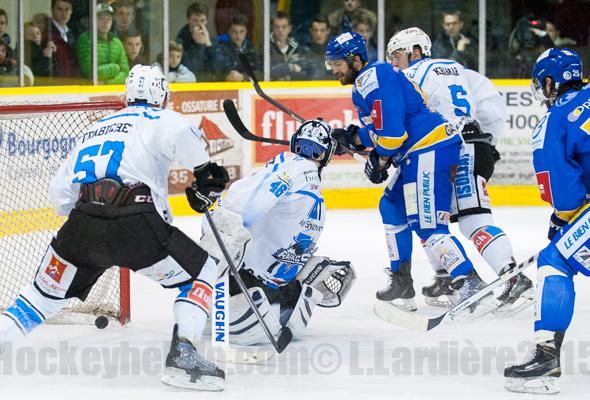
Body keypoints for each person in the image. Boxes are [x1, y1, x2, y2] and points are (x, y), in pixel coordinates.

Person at [0, 64, 230, 391]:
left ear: (125, 96)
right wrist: (205, 173)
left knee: (38, 299)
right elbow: (188, 144)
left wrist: (93, 220)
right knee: (205, 271)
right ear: (163, 96)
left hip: (80, 227)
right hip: (137, 227)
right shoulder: (162, 118)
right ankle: (184, 355)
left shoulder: (94, 128)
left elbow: (59, 197)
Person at [325, 32, 490, 313]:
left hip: (430, 148)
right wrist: (354, 138)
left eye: (337, 64)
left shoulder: (374, 77)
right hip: (418, 151)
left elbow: (391, 136)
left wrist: (377, 156)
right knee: (391, 206)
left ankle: (471, 284)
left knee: (428, 226)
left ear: (355, 59)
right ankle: (401, 279)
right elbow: (385, 130)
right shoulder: (366, 82)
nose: (333, 71)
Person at [386, 27, 533, 312]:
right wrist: (488, 141)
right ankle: (445, 275)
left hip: (455, 149)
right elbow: (490, 105)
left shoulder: (409, 76)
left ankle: (513, 278)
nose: (394, 63)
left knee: (469, 221)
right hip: (472, 143)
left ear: (416, 51)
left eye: (398, 55)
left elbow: (400, 121)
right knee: (426, 215)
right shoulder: (457, 68)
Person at [200, 119, 356, 344]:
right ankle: (287, 302)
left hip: (246, 283)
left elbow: (242, 206)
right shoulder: (312, 185)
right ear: (327, 154)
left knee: (220, 234)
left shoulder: (289, 165)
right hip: (279, 290)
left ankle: (221, 307)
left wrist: (217, 216)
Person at [504, 48, 588, 395]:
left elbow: (562, 191)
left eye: (542, 84)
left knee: (554, 260)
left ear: (551, 83)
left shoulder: (555, 119)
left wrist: (563, 219)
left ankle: (546, 356)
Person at [76, 3, 129, 84]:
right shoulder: (85, 39)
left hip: (114, 91)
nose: (105, 22)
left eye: (109, 19)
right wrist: (114, 68)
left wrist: (107, 82)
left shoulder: (117, 43)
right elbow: (88, 71)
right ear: (94, 19)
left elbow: (126, 73)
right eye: (101, 18)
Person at [176, 2, 216, 81]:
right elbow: (190, 71)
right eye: (195, 20)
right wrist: (199, 45)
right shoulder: (180, 42)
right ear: (188, 20)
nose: (199, 24)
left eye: (202, 20)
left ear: (207, 21)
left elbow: (220, 69)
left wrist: (209, 45)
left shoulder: (212, 40)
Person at [213, 14, 257, 82]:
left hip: (248, 89)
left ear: (246, 32)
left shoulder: (252, 49)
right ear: (229, 32)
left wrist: (243, 77)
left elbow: (261, 72)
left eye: (241, 31)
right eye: (234, 31)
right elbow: (216, 72)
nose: (238, 35)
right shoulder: (221, 48)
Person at [270, 12, 309, 81]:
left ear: (289, 29)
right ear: (272, 28)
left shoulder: (298, 48)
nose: (280, 30)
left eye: (284, 27)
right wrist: (291, 67)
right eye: (277, 27)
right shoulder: (266, 48)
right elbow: (268, 72)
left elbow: (305, 73)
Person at [45, 0, 79, 78]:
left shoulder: (71, 33)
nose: (64, 13)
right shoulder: (46, 31)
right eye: (59, 9)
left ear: (71, 11)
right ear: (52, 10)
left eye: (67, 9)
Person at [303, 15, 333, 80]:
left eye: (322, 30)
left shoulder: (336, 52)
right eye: (316, 30)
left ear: (328, 31)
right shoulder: (303, 51)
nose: (318, 34)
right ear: (311, 31)